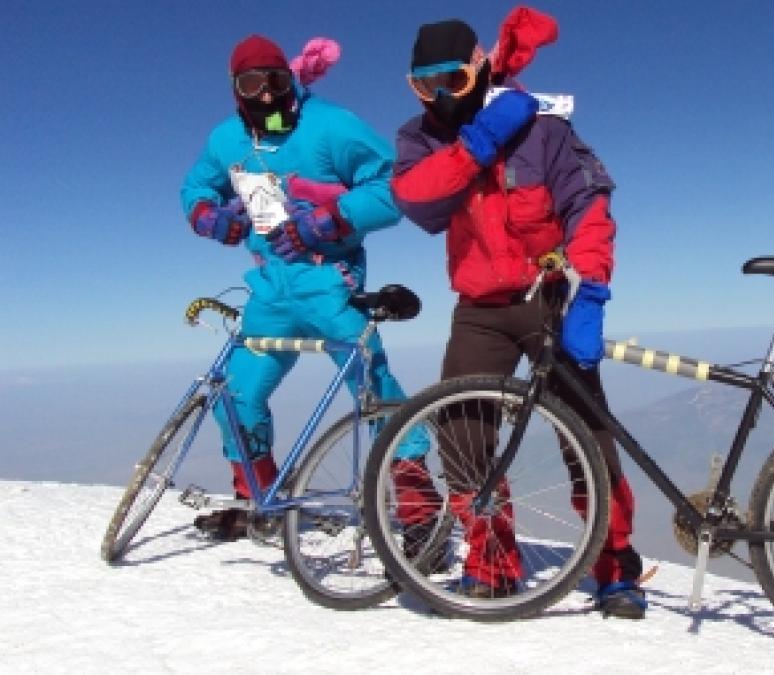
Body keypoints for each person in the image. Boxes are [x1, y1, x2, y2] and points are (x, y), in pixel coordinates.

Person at [390, 16, 647, 619]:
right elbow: (417, 201)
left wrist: (591, 290)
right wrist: (475, 143)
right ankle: (493, 563)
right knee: (460, 430)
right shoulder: (419, 138)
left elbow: (588, 203)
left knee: (586, 429)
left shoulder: (545, 130)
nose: (443, 95)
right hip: (479, 309)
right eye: (426, 86)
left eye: (453, 78)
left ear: (478, 67)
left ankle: (614, 563)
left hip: (548, 296)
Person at [180, 34, 427, 540]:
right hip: (269, 292)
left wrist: (330, 222)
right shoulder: (227, 139)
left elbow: (394, 186)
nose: (268, 95)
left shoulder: (331, 125)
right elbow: (196, 187)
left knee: (372, 385)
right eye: (254, 84)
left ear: (290, 77)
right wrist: (209, 217)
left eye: (277, 80)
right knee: (236, 393)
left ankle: (420, 510)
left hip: (328, 285)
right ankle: (259, 499)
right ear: (236, 89)